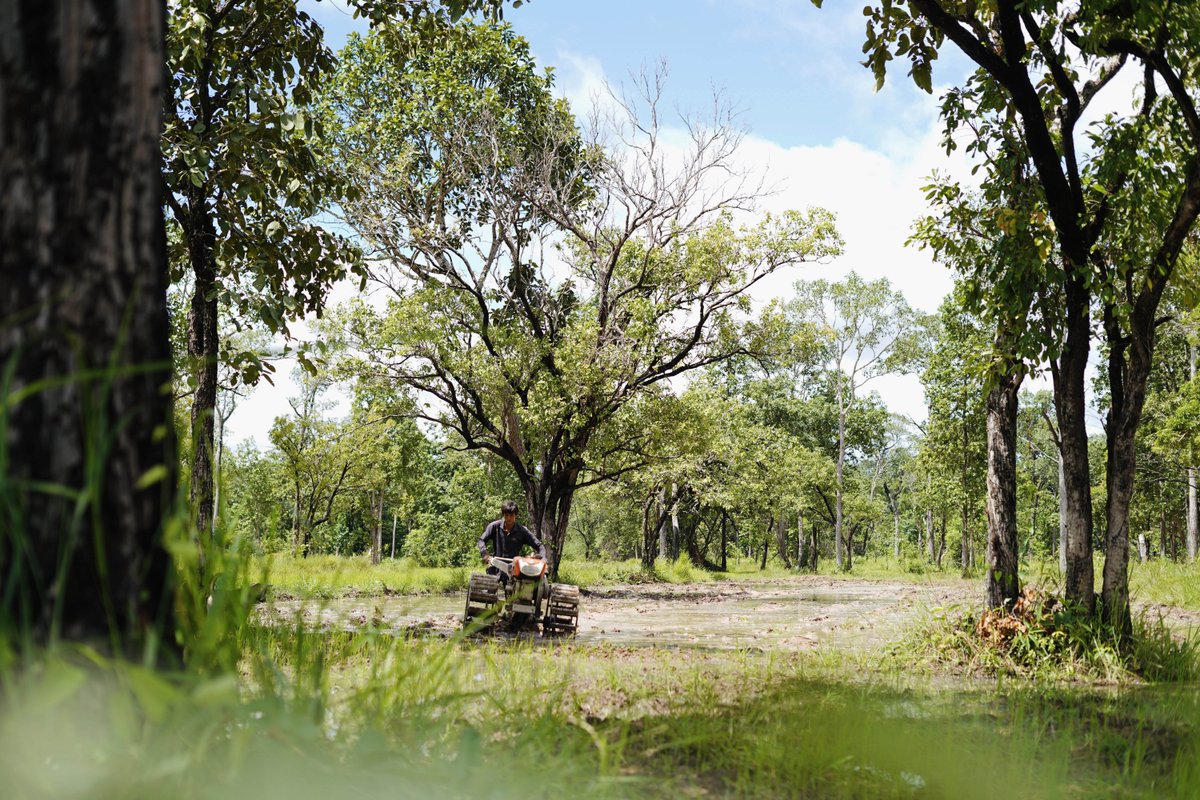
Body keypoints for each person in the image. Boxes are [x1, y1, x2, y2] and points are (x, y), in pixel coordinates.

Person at [477, 500, 547, 572]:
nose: (509, 518)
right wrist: (484, 553)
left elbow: (539, 546)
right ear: (503, 515)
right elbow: (481, 540)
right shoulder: (494, 526)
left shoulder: (522, 531)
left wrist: (543, 560)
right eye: (506, 515)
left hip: (514, 569)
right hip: (496, 566)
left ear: (516, 515)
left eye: (511, 515)